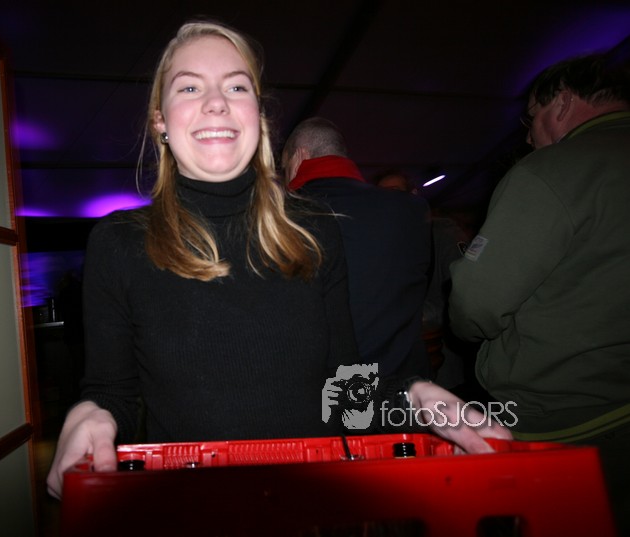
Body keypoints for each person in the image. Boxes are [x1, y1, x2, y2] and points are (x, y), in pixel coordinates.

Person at [47, 20, 511, 500]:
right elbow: (113, 394)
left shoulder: (314, 229)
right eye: (189, 87)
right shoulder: (119, 243)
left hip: (314, 504)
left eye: (236, 86)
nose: (216, 102)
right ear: (159, 120)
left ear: (259, 114)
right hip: (195, 506)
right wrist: (91, 415)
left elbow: (345, 393)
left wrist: (415, 396)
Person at [448, 52, 630, 533]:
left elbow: (475, 304)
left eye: (531, 119)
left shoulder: (551, 171)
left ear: (563, 103)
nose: (528, 137)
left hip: (563, 421)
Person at [281, 118, 432, 379]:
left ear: (299, 157)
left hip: (326, 391)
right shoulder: (413, 210)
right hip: (405, 387)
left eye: (285, 167)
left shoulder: (283, 217)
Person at [371, 169, 472, 391]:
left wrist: (417, 315)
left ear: (413, 195)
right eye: (382, 195)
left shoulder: (442, 232)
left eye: (396, 192)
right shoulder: (379, 240)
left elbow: (462, 293)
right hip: (396, 364)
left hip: (440, 362)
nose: (389, 200)